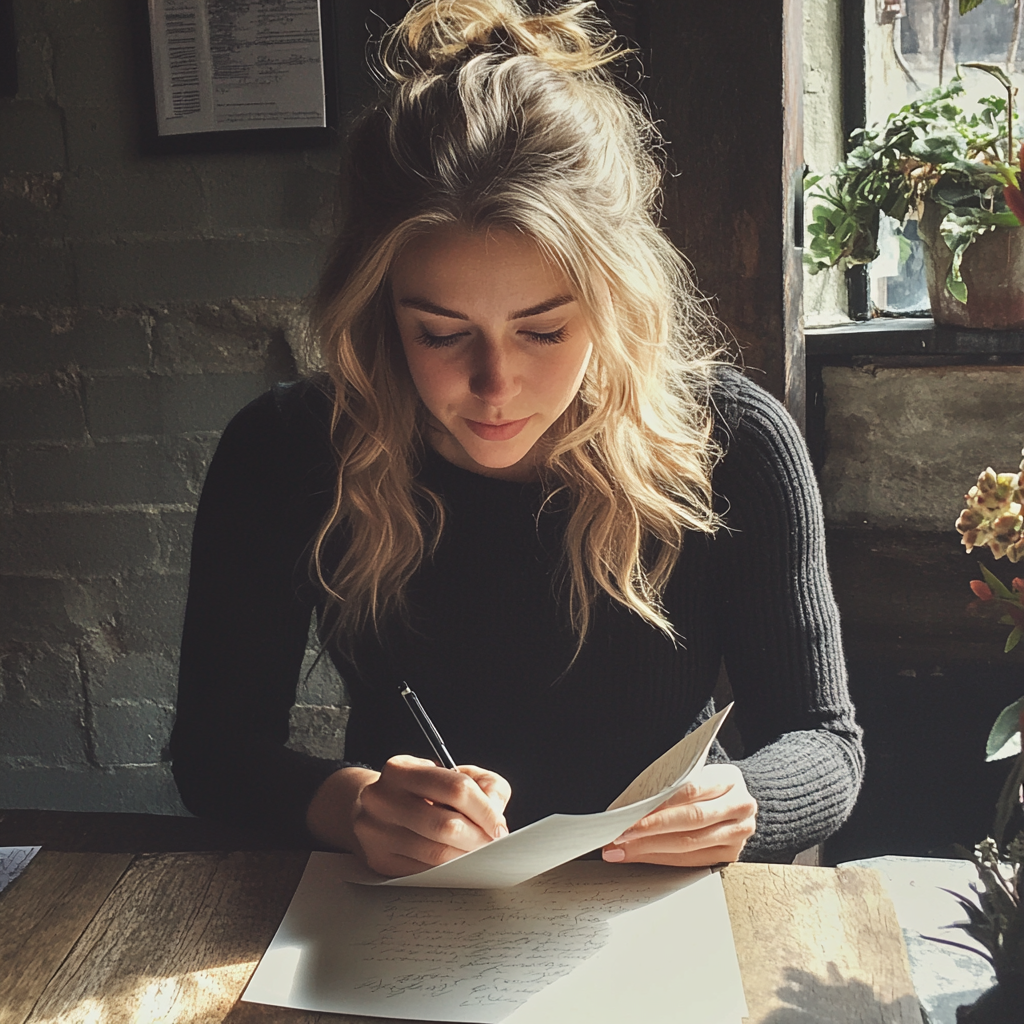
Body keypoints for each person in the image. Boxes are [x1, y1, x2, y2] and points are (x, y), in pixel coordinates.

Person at [170, 0, 863, 877]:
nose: (495, 386)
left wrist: (746, 801)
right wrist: (351, 807)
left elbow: (825, 742)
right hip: (405, 911)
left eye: (542, 332)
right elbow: (214, 755)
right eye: (440, 332)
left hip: (649, 914)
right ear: (381, 312)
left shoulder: (732, 442)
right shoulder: (288, 453)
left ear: (615, 303)